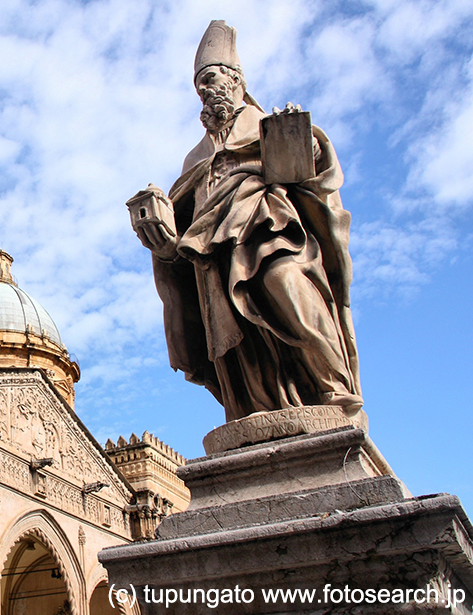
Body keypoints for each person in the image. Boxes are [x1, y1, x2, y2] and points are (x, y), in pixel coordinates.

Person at [132, 21, 362, 422]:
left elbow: (315, 169)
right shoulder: (195, 156)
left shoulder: (264, 123)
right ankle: (254, 408)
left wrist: (303, 143)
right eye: (199, 84)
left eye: (211, 78)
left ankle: (333, 384)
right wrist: (164, 240)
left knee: (285, 286)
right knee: (235, 333)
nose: (205, 89)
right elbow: (184, 226)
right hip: (214, 255)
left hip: (269, 229)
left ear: (236, 79)